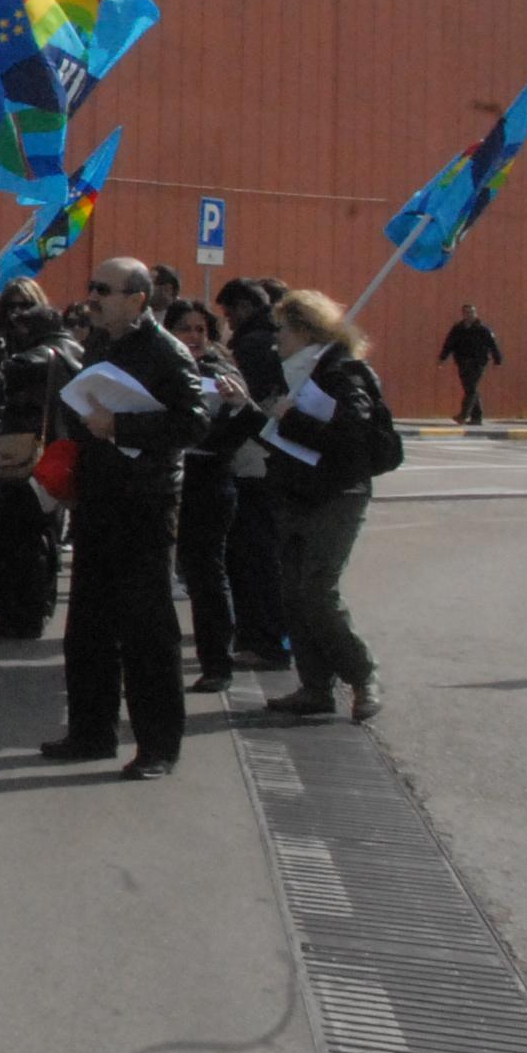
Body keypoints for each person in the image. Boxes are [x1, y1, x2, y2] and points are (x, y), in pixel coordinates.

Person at [40, 258, 207, 779]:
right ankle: (91, 732)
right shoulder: (99, 342)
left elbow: (194, 423)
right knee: (88, 624)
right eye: (91, 287)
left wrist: (123, 426)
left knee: (147, 629)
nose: (92, 297)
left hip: (145, 503)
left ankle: (158, 746)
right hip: (99, 498)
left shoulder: (167, 351)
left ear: (138, 298)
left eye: (104, 290)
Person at [260, 290, 387, 723]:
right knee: (293, 595)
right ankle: (315, 686)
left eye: (282, 330)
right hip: (294, 491)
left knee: (317, 592)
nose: (276, 339)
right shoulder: (298, 371)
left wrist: (290, 418)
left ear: (304, 330)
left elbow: (351, 438)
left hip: (336, 495)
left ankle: (362, 675)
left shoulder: (342, 373)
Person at [166, 300, 259, 695]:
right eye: (185, 329)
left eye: (201, 329)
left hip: (209, 480)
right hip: (165, 479)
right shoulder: (162, 370)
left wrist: (236, 408)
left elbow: (245, 428)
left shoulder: (222, 373)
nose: (194, 337)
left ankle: (216, 664)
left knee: (207, 574)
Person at [0, 277, 80, 640]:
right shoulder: (67, 349)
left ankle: (23, 613)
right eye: (12, 307)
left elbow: (19, 371)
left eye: (25, 308)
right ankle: (29, 608)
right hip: (52, 450)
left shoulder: (45, 353)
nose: (17, 315)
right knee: (37, 535)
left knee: (24, 537)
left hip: (33, 453)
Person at [215, 277, 294, 666]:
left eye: (229, 313)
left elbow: (249, 405)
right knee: (264, 557)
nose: (227, 321)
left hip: (254, 461)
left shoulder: (253, 345)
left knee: (254, 557)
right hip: (269, 461)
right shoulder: (275, 341)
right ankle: (270, 637)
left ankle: (265, 640)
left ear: (244, 307)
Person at [439, 304, 502, 426]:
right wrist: (443, 358)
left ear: (475, 313)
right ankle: (477, 418)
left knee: (471, 387)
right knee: (470, 388)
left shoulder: (483, 329)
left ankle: (463, 414)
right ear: (463, 314)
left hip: (478, 362)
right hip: (462, 362)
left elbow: (493, 345)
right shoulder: (458, 328)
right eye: (467, 312)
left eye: (472, 312)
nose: (470, 315)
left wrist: (497, 360)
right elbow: (449, 344)